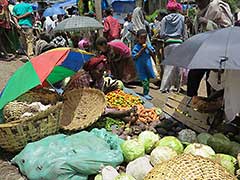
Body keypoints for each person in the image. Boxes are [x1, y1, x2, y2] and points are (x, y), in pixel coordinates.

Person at [187, 0, 233, 97]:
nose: (198, 3)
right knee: (193, 75)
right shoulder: (199, 12)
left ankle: (211, 104)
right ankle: (190, 100)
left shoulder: (217, 8)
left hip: (216, 51)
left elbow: (227, 30)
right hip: (203, 50)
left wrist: (208, 23)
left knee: (212, 79)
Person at [159, 0, 186, 92]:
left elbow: (161, 34)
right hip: (179, 43)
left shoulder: (164, 19)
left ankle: (164, 87)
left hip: (168, 44)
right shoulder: (182, 18)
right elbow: (184, 33)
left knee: (168, 66)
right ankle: (176, 87)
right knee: (178, 67)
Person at [132, 29, 156, 100]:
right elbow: (134, 57)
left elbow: (153, 53)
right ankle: (145, 93)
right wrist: (142, 50)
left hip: (148, 66)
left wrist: (148, 48)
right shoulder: (136, 47)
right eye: (141, 38)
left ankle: (146, 92)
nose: (143, 40)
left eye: (144, 38)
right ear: (137, 38)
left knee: (147, 80)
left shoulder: (148, 45)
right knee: (145, 80)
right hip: (140, 67)